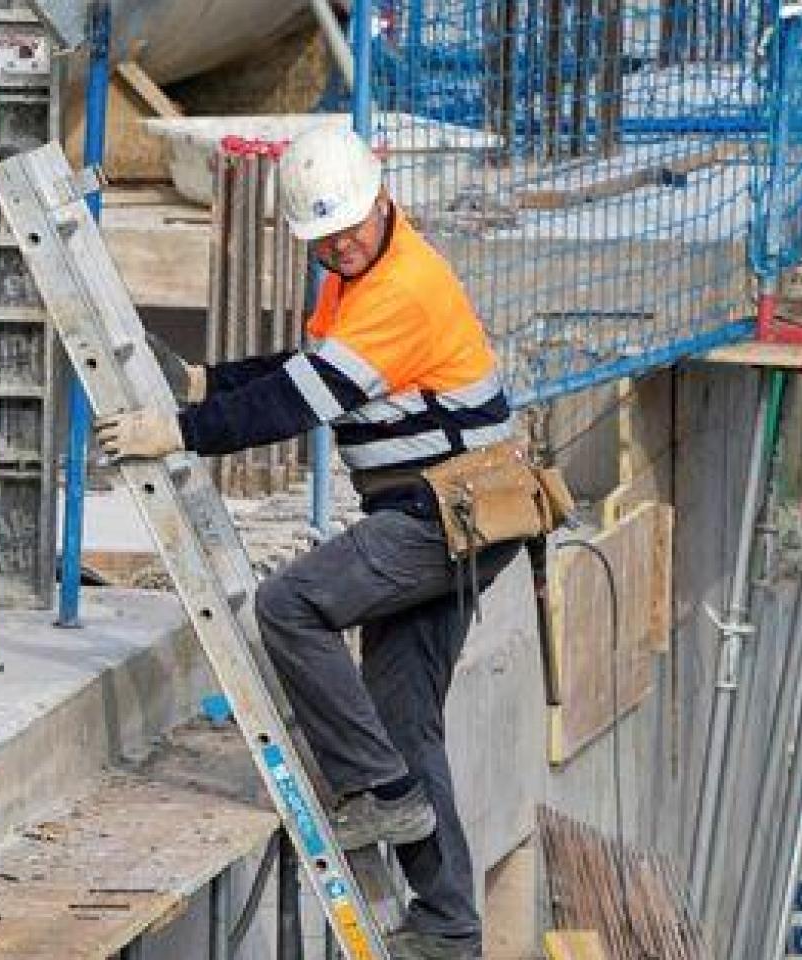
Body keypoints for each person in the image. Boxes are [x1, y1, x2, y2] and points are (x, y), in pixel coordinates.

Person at [95, 124, 519, 960]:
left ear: (382, 197)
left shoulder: (402, 288)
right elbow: (302, 367)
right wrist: (207, 384)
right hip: (448, 516)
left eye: (351, 229)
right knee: (405, 725)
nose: (342, 247)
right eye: (326, 239)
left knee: (290, 606)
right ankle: (449, 928)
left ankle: (383, 791)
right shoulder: (354, 278)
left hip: (448, 515)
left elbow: (297, 406)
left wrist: (176, 431)